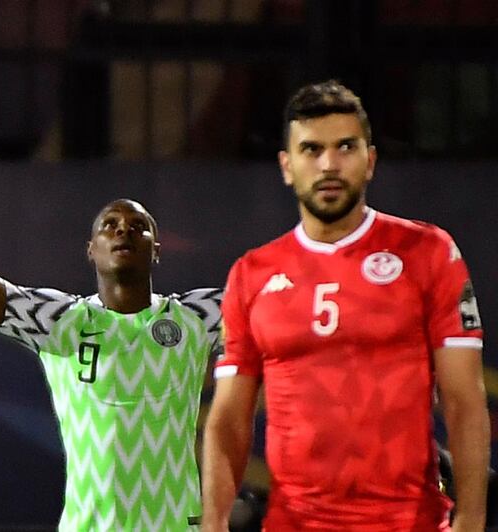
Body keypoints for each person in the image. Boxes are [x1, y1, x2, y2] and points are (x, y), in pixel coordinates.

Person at [0, 96, 223, 530]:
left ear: (156, 251)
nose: (123, 232)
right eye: (110, 227)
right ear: (91, 251)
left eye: (139, 228)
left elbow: (282, 297)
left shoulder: (198, 317)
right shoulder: (59, 321)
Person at [201, 79, 490, 531]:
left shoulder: (428, 253)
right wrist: (213, 523)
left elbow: (464, 401)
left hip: (408, 523)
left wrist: (471, 520)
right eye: (312, 150)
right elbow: (228, 421)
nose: (329, 164)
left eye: (346, 147)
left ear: (370, 161)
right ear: (286, 166)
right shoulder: (251, 274)